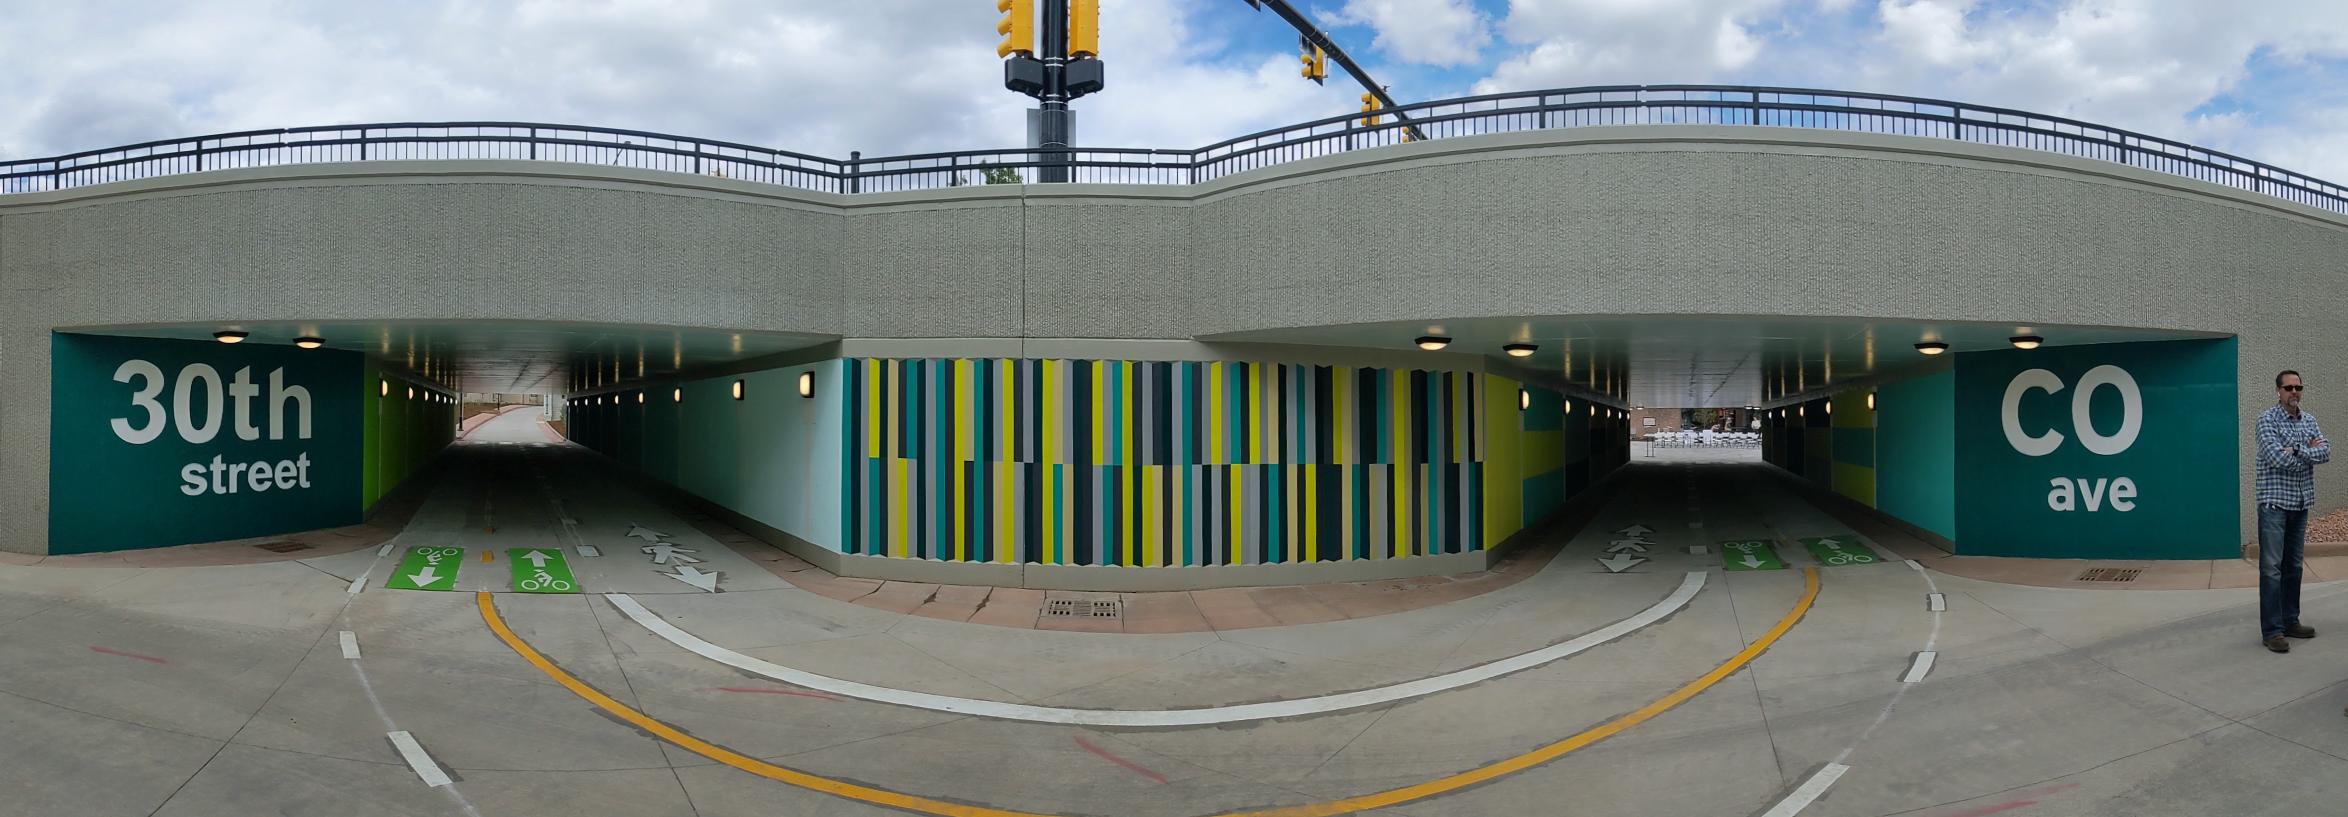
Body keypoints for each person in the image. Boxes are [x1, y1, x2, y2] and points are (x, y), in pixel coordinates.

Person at [2257, 370, 2329, 653]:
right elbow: (2275, 457)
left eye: (2298, 387)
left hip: (2300, 504)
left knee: (2294, 567)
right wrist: (2305, 451)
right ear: (2278, 391)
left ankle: (2290, 621)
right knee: (2271, 570)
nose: (2294, 392)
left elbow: (2325, 452)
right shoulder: (2266, 420)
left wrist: (2294, 450)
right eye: (2288, 387)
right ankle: (2272, 631)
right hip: (2274, 504)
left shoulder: (2309, 420)